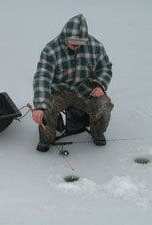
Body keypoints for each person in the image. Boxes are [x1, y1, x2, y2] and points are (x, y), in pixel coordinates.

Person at [32, 14, 114, 152]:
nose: (76, 46)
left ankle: (98, 133)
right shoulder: (50, 50)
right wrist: (39, 106)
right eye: (73, 43)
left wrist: (100, 85)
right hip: (59, 91)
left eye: (80, 43)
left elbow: (105, 67)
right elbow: (42, 77)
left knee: (104, 106)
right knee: (46, 109)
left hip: (85, 90)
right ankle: (46, 139)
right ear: (65, 37)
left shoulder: (96, 46)